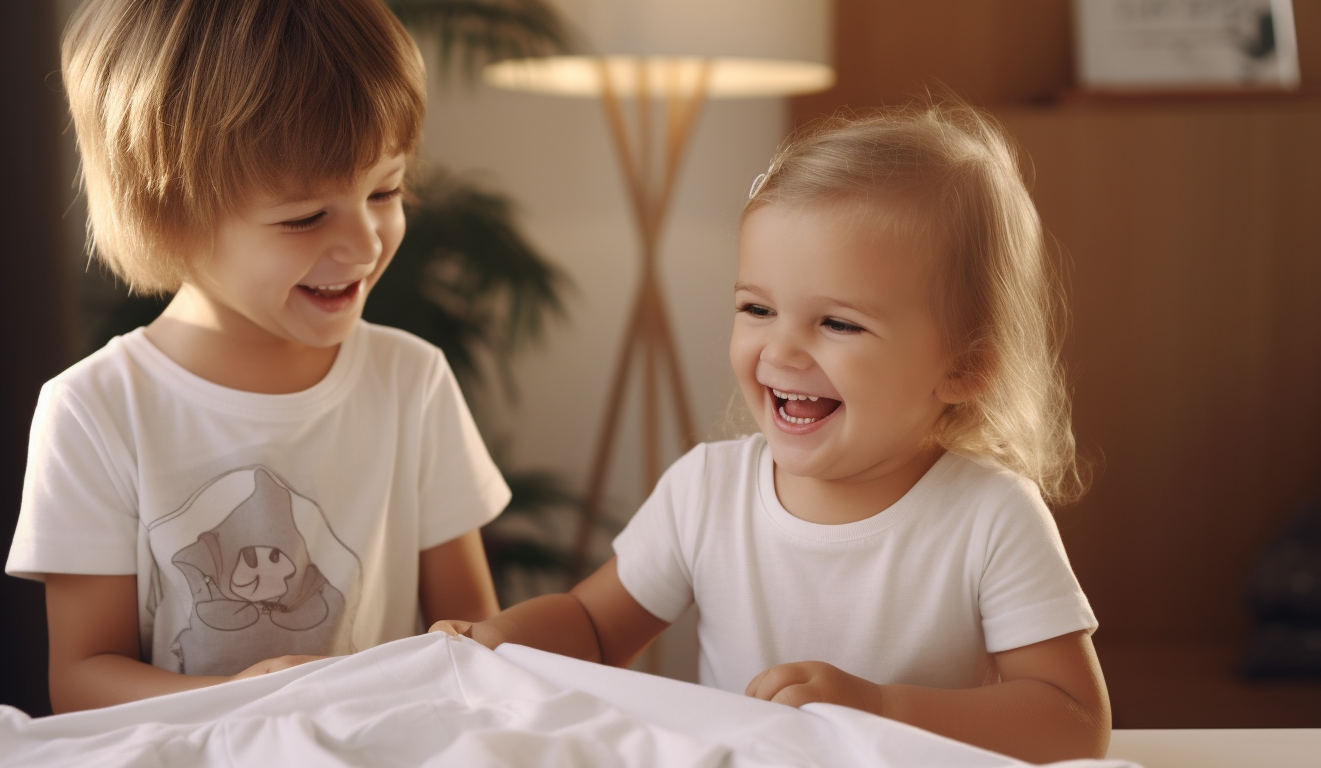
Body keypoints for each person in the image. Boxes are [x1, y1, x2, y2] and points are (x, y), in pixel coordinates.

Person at [433, 102, 1111, 763]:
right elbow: (594, 627)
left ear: (964, 367)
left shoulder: (990, 516)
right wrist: (499, 638)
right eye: (758, 308)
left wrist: (879, 708)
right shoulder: (707, 489)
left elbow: (1073, 720)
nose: (781, 352)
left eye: (838, 323)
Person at [6, 0, 509, 713]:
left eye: (386, 190)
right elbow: (83, 681)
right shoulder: (96, 411)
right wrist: (244, 699)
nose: (365, 245)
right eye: (304, 217)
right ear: (167, 210)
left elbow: (472, 644)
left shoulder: (413, 382)